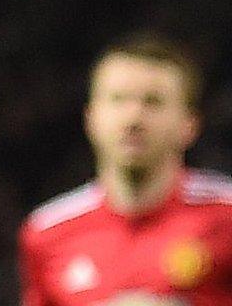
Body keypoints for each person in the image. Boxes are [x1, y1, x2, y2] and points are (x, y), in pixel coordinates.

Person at [21, 35, 232, 306]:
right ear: (91, 118)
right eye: (118, 99)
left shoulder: (225, 216)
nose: (133, 118)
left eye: (152, 102)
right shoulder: (47, 232)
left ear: (189, 124)